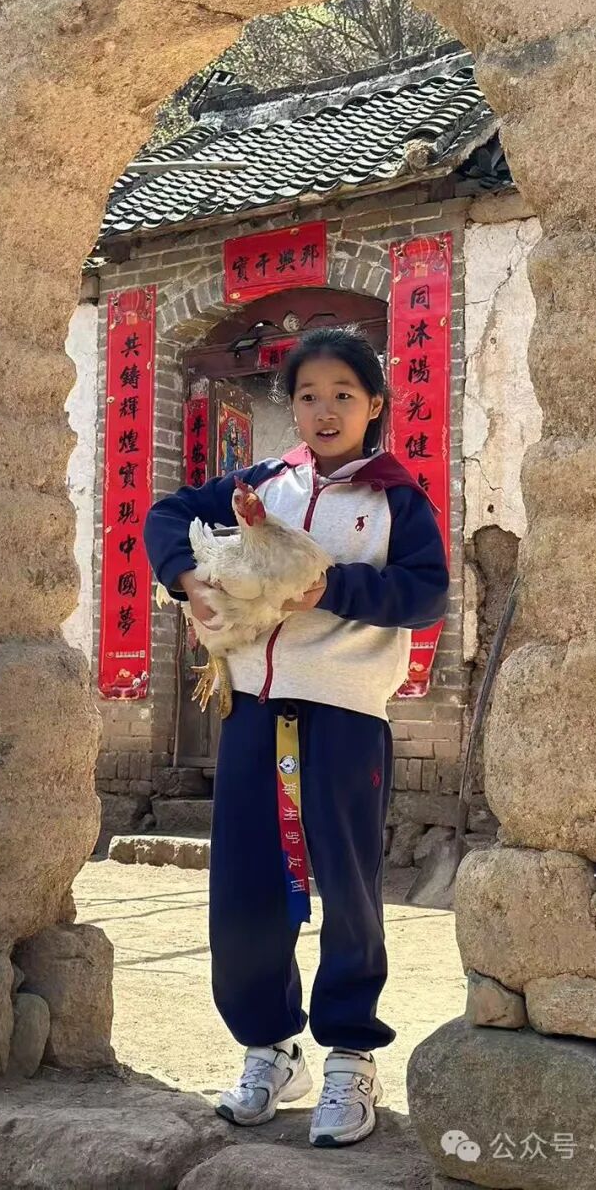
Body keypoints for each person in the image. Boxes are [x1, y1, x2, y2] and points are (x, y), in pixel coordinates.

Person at [142, 325, 449, 1148]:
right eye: (308, 395)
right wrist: (185, 578)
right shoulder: (262, 487)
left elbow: (425, 595)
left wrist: (331, 588)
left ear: (374, 405)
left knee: (348, 887)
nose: (324, 410)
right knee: (246, 886)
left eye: (343, 394)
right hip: (251, 710)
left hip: (344, 713)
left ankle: (350, 1054)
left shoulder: (397, 500)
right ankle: (270, 1049)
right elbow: (168, 513)